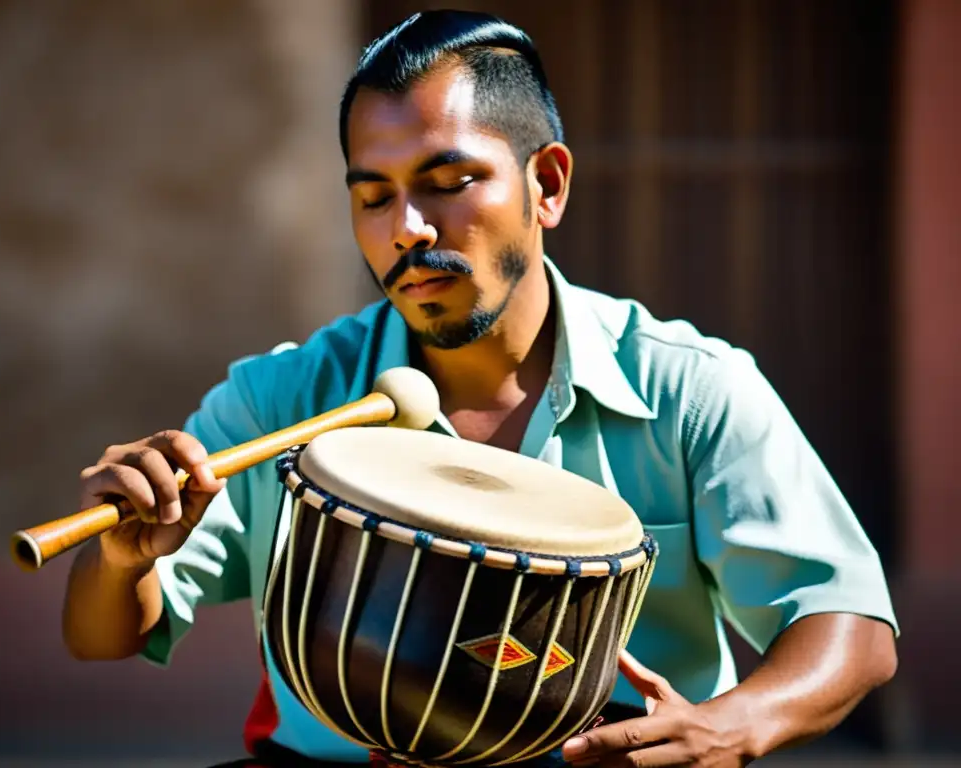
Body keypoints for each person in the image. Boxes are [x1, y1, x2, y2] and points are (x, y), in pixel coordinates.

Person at [61, 9, 899, 768]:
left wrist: (737, 722)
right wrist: (119, 559)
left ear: (549, 185)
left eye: (448, 182)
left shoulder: (691, 390)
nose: (407, 230)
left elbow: (850, 626)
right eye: (373, 196)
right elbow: (104, 637)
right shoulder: (282, 399)